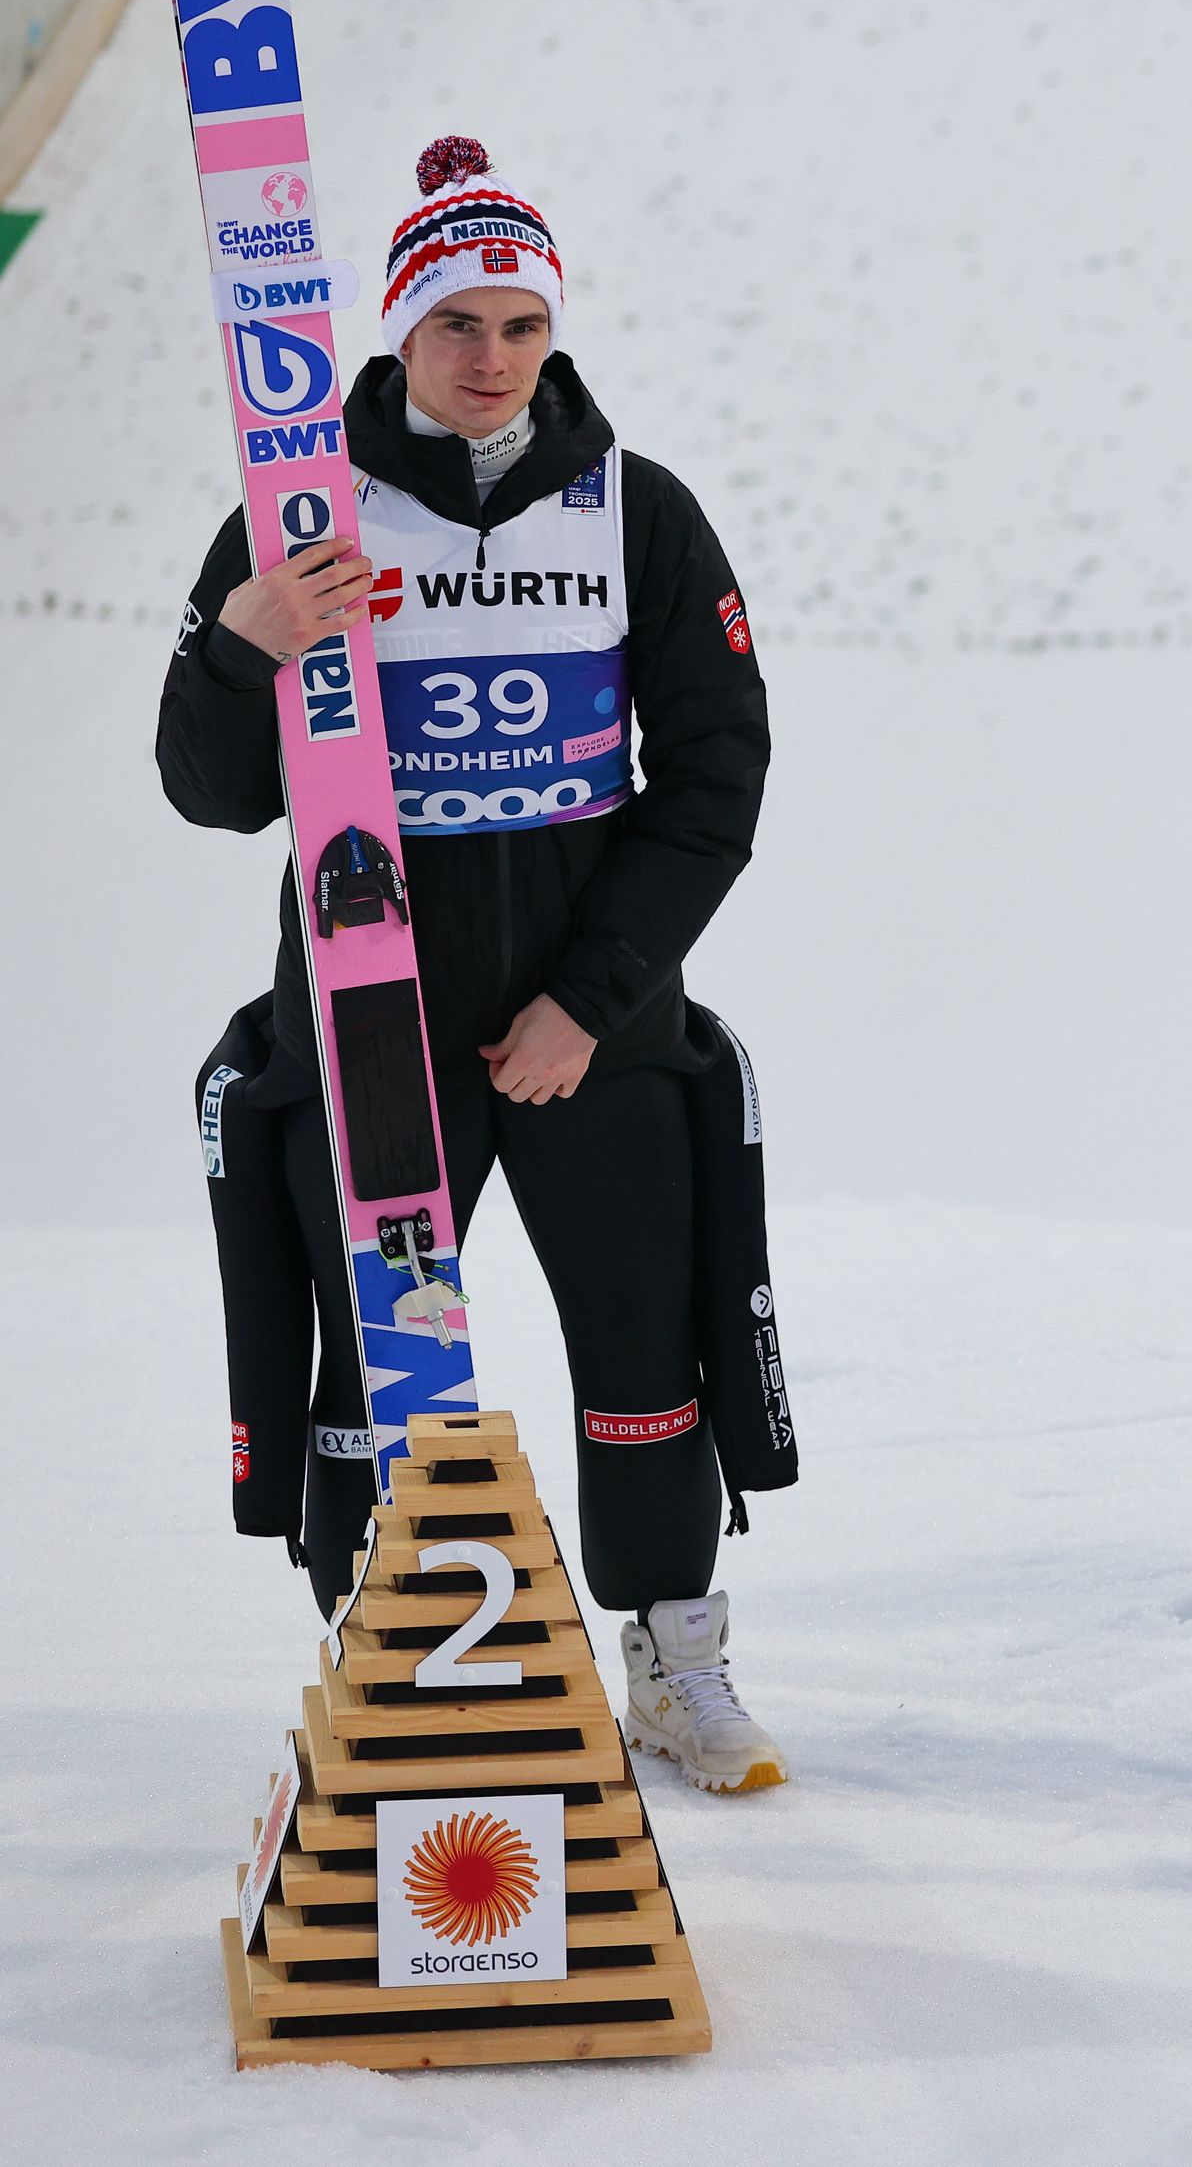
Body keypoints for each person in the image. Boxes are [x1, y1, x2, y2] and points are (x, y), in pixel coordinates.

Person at [160, 137, 795, 1792]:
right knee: (373, 1365)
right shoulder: (303, 515)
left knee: (647, 1354)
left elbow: (717, 775)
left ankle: (672, 1654)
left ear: (551, 333)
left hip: (589, 1028)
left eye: (518, 322)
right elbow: (212, 792)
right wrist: (246, 644)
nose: (490, 354)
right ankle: (383, 1668)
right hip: (375, 1027)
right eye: (457, 322)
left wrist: (592, 1002)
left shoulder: (635, 510)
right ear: (397, 332)